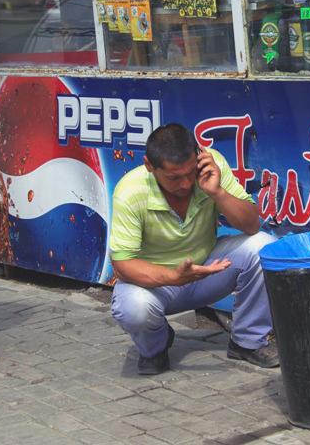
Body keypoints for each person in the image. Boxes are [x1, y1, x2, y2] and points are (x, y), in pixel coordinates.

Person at [109, 123, 279, 375]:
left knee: (263, 246)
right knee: (132, 308)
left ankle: (247, 341)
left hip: (208, 270)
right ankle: (156, 345)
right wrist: (174, 277)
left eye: (190, 173)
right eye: (174, 177)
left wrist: (217, 192)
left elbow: (251, 224)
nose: (187, 183)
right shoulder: (130, 190)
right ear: (149, 165)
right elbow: (122, 266)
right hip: (156, 283)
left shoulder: (211, 167)